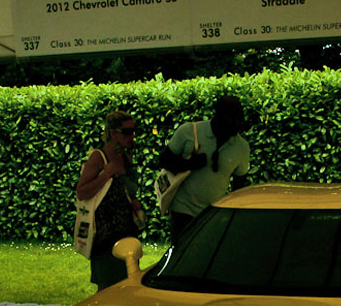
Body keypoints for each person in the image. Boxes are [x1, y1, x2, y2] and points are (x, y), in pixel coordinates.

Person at [159, 95, 250, 243]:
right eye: (230, 123)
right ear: (218, 117)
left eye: (237, 124)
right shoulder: (189, 131)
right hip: (183, 211)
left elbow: (239, 185)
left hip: (214, 214)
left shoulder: (241, 146)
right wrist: (188, 164)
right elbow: (164, 160)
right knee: (183, 259)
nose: (234, 129)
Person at [76, 109, 144, 290]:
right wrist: (106, 174)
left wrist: (134, 203)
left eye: (134, 131)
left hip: (126, 230)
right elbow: (82, 192)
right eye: (127, 132)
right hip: (105, 235)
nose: (132, 136)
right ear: (113, 133)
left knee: (129, 282)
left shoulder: (126, 158)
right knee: (107, 287)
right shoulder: (98, 157)